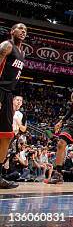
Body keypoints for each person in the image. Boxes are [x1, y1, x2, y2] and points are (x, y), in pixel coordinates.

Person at [0, 23, 27, 189]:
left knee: (7, 135)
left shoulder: (22, 53)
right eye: (20, 28)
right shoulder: (6, 45)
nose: (23, 31)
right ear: (12, 31)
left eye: (25, 30)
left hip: (8, 94)